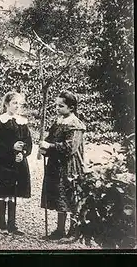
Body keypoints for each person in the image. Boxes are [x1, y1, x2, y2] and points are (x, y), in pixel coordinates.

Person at [39, 90, 86, 240]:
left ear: (71, 108)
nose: (57, 108)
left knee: (70, 196)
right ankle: (60, 230)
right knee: (59, 197)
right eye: (56, 105)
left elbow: (70, 147)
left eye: (61, 106)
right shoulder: (58, 121)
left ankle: (74, 231)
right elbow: (50, 138)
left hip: (70, 165)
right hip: (56, 164)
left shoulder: (75, 125)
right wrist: (44, 148)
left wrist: (50, 146)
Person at [0, 92, 32, 235]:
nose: (17, 106)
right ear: (6, 104)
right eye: (14, 103)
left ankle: (12, 225)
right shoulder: (0, 121)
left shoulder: (23, 122)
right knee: (3, 192)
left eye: (19, 103)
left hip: (18, 162)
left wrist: (23, 153)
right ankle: (2, 224)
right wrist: (11, 147)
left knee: (13, 192)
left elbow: (28, 143)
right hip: (3, 160)